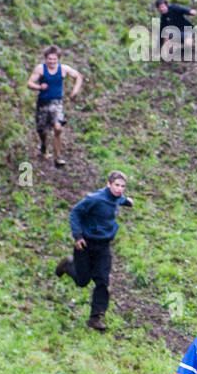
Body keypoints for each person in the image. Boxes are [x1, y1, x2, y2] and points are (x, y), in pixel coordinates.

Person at [55, 171, 133, 332]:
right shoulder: (95, 199)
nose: (119, 189)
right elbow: (75, 213)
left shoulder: (118, 197)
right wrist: (77, 236)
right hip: (85, 244)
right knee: (82, 281)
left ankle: (95, 318)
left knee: (102, 281)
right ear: (108, 184)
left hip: (103, 246)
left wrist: (128, 202)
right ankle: (68, 265)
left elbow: (121, 200)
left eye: (123, 186)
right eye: (116, 185)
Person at [26, 45, 83, 166]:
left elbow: (78, 76)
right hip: (43, 102)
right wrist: (39, 87)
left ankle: (58, 157)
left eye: (54, 59)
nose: (52, 61)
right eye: (49, 59)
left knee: (58, 128)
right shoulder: (40, 69)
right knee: (42, 130)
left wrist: (75, 91)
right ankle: (44, 146)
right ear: (46, 58)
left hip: (57, 102)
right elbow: (29, 83)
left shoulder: (63, 69)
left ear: (58, 59)